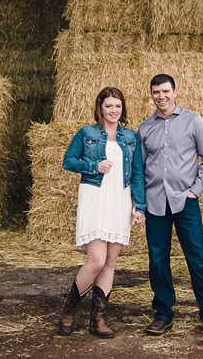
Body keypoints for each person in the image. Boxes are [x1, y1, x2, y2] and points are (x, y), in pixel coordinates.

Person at [138, 73, 203, 337]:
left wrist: (196, 191)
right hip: (155, 203)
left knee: (197, 258)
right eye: (156, 92)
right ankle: (163, 314)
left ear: (175, 92)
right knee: (158, 260)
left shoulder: (193, 120)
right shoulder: (145, 128)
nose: (161, 96)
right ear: (151, 95)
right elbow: (141, 168)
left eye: (166, 91)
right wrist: (139, 202)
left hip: (185, 202)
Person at [57, 86, 146, 338]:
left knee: (110, 262)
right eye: (109, 106)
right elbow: (68, 161)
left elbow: (137, 173)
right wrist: (94, 165)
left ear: (123, 109)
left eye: (118, 106)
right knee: (95, 260)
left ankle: (97, 320)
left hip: (119, 199)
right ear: (100, 108)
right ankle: (68, 311)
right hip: (95, 196)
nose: (113, 111)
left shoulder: (130, 137)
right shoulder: (86, 133)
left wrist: (139, 206)